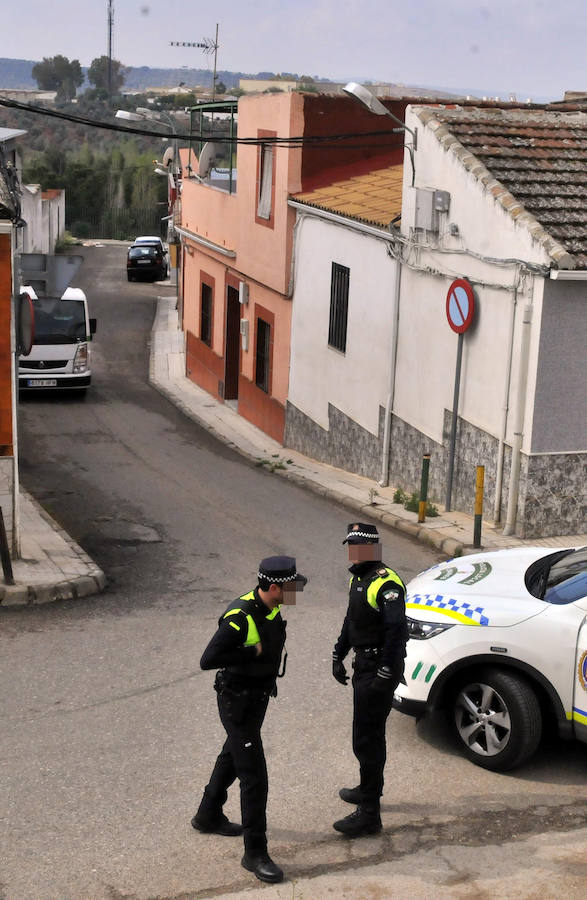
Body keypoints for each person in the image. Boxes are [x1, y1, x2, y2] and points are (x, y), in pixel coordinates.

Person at [192, 556, 307, 884]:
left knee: (233, 755)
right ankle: (255, 852)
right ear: (273, 587)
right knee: (254, 776)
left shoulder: (270, 606)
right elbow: (208, 659)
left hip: (256, 699)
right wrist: (251, 653)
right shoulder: (240, 617)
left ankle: (207, 814)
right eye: (291, 586)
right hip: (237, 702)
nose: (295, 591)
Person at [331, 522, 408, 837]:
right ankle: (368, 789)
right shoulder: (357, 577)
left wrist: (385, 673)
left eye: (360, 545)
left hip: (379, 666)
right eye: (351, 544)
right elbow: (353, 620)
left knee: (368, 739)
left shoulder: (387, 583)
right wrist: (338, 654)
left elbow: (396, 633)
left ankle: (369, 814)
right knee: (364, 736)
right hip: (363, 664)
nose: (354, 550)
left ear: (374, 548)